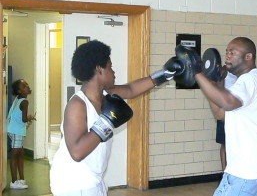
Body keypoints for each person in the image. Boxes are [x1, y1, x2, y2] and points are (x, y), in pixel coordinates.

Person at [50, 40, 180, 196]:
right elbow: (77, 152)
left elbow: (131, 89)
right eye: (110, 67)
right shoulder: (78, 105)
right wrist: (105, 122)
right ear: (99, 69)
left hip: (94, 180)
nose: (113, 71)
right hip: (73, 183)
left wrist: (164, 75)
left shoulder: (106, 95)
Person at [193, 37, 257, 196]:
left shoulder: (251, 79)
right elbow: (220, 113)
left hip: (249, 169)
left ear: (248, 56)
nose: (227, 56)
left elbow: (228, 102)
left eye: (233, 52)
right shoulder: (242, 82)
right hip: (245, 168)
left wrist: (197, 73)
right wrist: (216, 81)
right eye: (226, 52)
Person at [7, 79, 36, 189]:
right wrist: (30, 118)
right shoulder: (24, 102)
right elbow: (24, 119)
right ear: (19, 91)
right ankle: (14, 182)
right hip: (16, 131)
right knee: (15, 155)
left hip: (13, 129)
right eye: (24, 86)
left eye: (27, 84)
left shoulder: (18, 99)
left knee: (20, 153)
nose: (27, 87)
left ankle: (22, 179)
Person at [215, 71, 237, 171]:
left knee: (236, 143)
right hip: (226, 112)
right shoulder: (225, 72)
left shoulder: (243, 73)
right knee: (225, 143)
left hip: (238, 113)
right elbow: (219, 90)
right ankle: (225, 172)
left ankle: (235, 171)